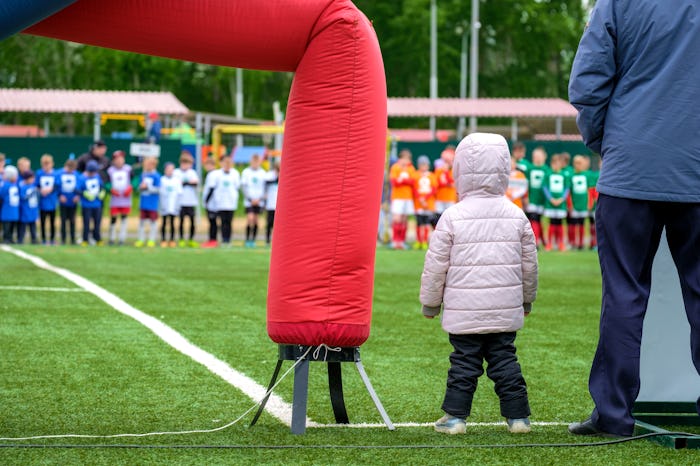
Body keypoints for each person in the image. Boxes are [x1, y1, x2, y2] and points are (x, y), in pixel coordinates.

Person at [568, 0, 700, 437]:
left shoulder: (618, 3)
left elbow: (587, 83)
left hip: (629, 171)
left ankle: (613, 416)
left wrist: (607, 143)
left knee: (623, 296)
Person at [420, 133, 538, 435]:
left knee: (463, 364)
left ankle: (456, 418)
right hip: (504, 310)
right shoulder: (517, 215)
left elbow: (436, 266)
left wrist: (431, 303)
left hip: (464, 311)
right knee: (505, 361)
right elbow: (529, 267)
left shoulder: (452, 216)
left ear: (460, 171)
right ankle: (518, 418)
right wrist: (526, 300)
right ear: (504, 170)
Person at [522, 147, 549, 249]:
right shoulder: (530, 169)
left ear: (544, 157)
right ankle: (535, 241)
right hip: (532, 199)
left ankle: (543, 240)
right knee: (533, 219)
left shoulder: (547, 170)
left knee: (539, 219)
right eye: (535, 156)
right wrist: (526, 197)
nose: (536, 158)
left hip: (542, 200)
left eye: (539, 156)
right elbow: (526, 184)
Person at [389, 149, 416, 249]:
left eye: (407, 159)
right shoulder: (395, 167)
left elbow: (412, 182)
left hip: (407, 197)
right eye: (404, 158)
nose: (406, 161)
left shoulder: (411, 168)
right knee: (397, 218)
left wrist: (402, 181)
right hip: (397, 197)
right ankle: (395, 241)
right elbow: (394, 181)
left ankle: (402, 241)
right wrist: (404, 181)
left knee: (404, 219)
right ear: (400, 159)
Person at [542, 154, 570, 252]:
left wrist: (561, 199)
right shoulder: (548, 174)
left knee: (560, 224)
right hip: (551, 204)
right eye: (554, 163)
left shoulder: (564, 175)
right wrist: (551, 199)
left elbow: (567, 188)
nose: (556, 165)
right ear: (551, 164)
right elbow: (545, 187)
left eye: (558, 163)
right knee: (551, 223)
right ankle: (549, 243)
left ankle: (560, 243)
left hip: (561, 204)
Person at [173, 150, 199, 247]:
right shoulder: (176, 172)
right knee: (181, 221)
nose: (186, 165)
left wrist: (185, 183)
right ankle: (181, 239)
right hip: (180, 202)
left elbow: (195, 183)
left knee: (192, 221)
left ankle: (191, 239)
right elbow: (176, 184)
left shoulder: (192, 172)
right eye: (184, 163)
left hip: (191, 201)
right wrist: (187, 183)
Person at [107, 150, 132, 246]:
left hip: (125, 199)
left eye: (121, 159)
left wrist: (130, 187)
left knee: (124, 218)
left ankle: (122, 238)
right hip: (115, 199)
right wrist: (110, 189)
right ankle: (112, 238)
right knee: (113, 218)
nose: (120, 161)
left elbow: (134, 179)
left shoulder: (128, 169)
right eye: (117, 159)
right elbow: (107, 182)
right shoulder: (110, 170)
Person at [241, 153, 267, 248]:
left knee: (256, 220)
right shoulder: (246, 172)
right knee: (250, 218)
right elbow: (244, 187)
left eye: (257, 162)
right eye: (254, 162)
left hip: (259, 200)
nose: (255, 163)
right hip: (249, 201)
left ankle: (253, 240)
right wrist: (250, 199)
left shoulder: (263, 173)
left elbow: (265, 188)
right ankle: (247, 239)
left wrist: (260, 199)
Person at [135, 157, 161, 248]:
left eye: (150, 164)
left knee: (153, 222)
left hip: (152, 204)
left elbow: (158, 189)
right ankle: (141, 239)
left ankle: (151, 240)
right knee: (142, 222)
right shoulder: (143, 175)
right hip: (143, 203)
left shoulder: (156, 175)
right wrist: (141, 187)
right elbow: (138, 187)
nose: (147, 166)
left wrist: (148, 187)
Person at [412, 155, 436, 250]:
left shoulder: (431, 176)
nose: (423, 166)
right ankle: (418, 241)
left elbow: (433, 189)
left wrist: (425, 198)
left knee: (426, 222)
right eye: (421, 164)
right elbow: (414, 188)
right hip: (418, 203)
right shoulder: (415, 175)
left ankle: (425, 240)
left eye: (425, 165)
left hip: (428, 203)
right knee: (419, 222)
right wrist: (420, 199)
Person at [78, 160, 106, 246]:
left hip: (97, 204)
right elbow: (78, 189)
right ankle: (85, 239)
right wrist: (84, 194)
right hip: (86, 205)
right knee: (86, 223)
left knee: (97, 223)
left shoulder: (97, 177)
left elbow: (101, 186)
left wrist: (102, 193)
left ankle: (97, 238)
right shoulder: (82, 178)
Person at [568, 155, 591, 250]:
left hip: (583, 204)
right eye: (576, 163)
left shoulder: (586, 176)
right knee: (573, 224)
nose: (578, 165)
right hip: (574, 204)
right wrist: (570, 204)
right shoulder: (571, 176)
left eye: (580, 163)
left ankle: (581, 243)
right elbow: (568, 192)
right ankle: (573, 242)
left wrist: (589, 203)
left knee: (582, 224)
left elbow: (589, 191)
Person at [35, 154, 59, 245]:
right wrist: (41, 190)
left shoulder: (55, 174)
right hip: (42, 202)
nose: (46, 166)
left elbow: (57, 185)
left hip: (52, 202)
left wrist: (49, 190)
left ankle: (52, 238)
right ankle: (43, 238)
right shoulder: (39, 173)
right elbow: (36, 185)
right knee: (43, 222)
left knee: (53, 222)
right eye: (44, 164)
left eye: (48, 164)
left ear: (52, 164)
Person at [57, 159, 80, 245]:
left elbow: (79, 187)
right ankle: (63, 239)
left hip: (73, 202)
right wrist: (60, 195)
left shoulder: (76, 174)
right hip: (63, 202)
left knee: (72, 221)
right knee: (63, 221)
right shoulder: (60, 174)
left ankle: (73, 239)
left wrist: (77, 196)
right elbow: (57, 186)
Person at [159, 162, 182, 247]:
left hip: (173, 205)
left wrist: (177, 205)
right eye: (168, 169)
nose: (170, 171)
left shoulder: (176, 180)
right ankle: (163, 239)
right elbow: (160, 192)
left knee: (172, 223)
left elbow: (179, 193)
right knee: (164, 222)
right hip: (164, 204)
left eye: (171, 169)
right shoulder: (162, 179)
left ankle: (172, 240)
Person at [433, 148, 456, 228]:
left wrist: (446, 173)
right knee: (438, 217)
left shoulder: (453, 171)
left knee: (450, 218)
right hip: (440, 197)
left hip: (450, 198)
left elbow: (452, 183)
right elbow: (436, 183)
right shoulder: (439, 171)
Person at [17, 170, 39, 244]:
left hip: (33, 210)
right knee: (23, 226)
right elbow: (23, 197)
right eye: (31, 178)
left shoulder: (33, 186)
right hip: (25, 210)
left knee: (33, 226)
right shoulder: (23, 187)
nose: (33, 180)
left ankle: (34, 239)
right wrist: (32, 193)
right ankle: (20, 239)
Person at [201, 157, 219, 248]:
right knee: (212, 222)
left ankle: (213, 240)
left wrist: (207, 201)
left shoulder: (212, 174)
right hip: (212, 203)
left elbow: (212, 188)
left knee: (213, 222)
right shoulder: (212, 174)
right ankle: (212, 239)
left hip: (212, 203)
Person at [0, 166, 20, 244]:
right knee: (7, 225)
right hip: (7, 209)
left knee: (12, 225)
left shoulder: (15, 185)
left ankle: (10, 238)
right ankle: (6, 238)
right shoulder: (6, 185)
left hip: (14, 208)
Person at [264, 160, 280, 246]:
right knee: (269, 223)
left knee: (278, 225)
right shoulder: (270, 175)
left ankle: (277, 241)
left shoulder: (284, 175)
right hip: (271, 204)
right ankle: (267, 240)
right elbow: (266, 182)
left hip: (280, 206)